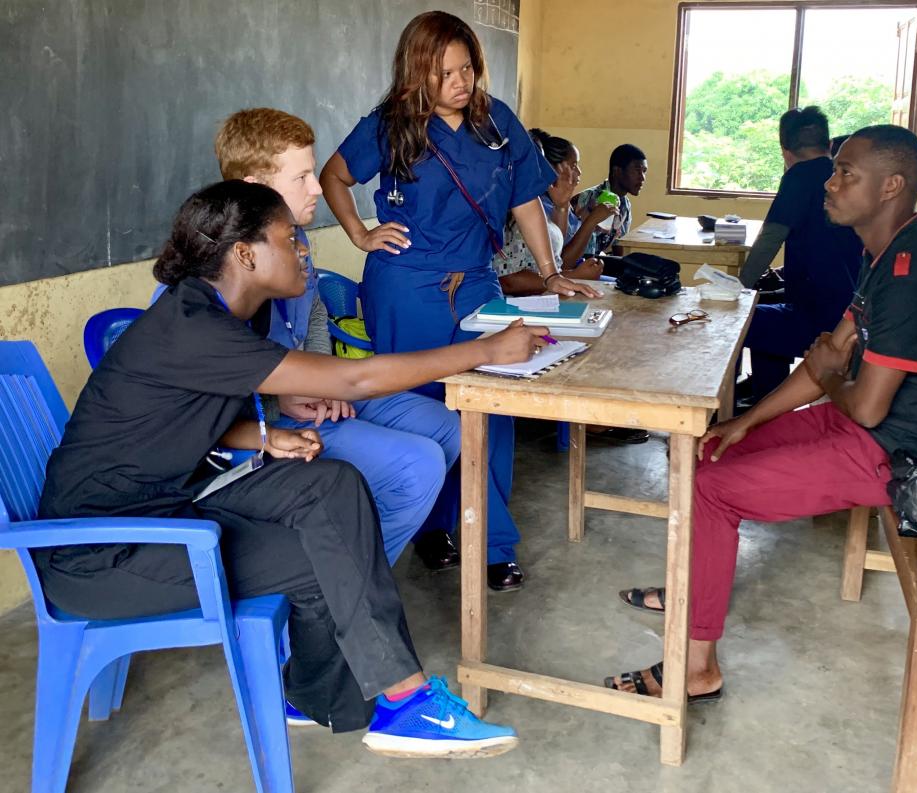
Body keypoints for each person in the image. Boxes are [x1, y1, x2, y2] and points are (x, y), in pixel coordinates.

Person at [36, 180, 548, 756]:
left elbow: (170, 414)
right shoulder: (192, 325)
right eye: (291, 241)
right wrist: (486, 350)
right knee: (331, 554)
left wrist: (263, 433)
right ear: (245, 254)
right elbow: (355, 378)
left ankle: (314, 694)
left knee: (331, 484)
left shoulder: (223, 315)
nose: (304, 251)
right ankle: (403, 700)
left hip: (167, 502)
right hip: (101, 553)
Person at [607, 126, 917, 701]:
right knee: (711, 449)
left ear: (893, 186)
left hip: (905, 455)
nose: (829, 185)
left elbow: (861, 399)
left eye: (845, 174)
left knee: (714, 491)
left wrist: (830, 371)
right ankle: (692, 588)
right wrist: (744, 422)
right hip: (868, 425)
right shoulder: (883, 257)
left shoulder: (913, 275)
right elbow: (825, 363)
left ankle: (696, 667)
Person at [320, 10, 600, 592]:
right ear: (416, 73)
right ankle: (430, 528)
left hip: (476, 282)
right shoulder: (391, 124)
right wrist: (359, 234)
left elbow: (527, 197)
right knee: (423, 404)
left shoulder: (497, 122)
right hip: (404, 286)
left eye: (467, 67)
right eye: (444, 72)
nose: (459, 81)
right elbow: (334, 175)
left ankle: (490, 542)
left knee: (490, 407)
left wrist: (550, 274)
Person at [214, 108, 462, 577]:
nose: (317, 187)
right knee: (419, 465)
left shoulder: (296, 239)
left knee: (447, 426)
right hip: (268, 421)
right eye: (303, 176)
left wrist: (322, 381)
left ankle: (356, 545)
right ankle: (348, 595)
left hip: (316, 392)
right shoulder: (220, 267)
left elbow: (313, 318)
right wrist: (282, 391)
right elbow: (210, 380)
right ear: (253, 187)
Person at [737, 107, 863, 407]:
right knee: (767, 307)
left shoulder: (799, 177)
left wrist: (736, 287)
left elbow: (770, 238)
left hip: (820, 316)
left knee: (740, 321)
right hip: (852, 310)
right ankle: (767, 396)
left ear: (785, 150)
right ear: (830, 145)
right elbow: (827, 243)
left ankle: (765, 405)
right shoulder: (842, 178)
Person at [491, 128, 605, 297]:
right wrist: (573, 276)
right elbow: (508, 279)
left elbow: (556, 256)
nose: (542, 169)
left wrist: (562, 205)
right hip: (517, 306)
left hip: (543, 298)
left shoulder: (531, 200)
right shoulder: (512, 209)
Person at [572, 143, 648, 260]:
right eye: (637, 170)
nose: (642, 178)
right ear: (617, 171)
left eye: (644, 171)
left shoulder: (625, 204)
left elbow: (619, 244)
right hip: (578, 266)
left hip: (598, 264)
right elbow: (582, 252)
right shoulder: (589, 198)